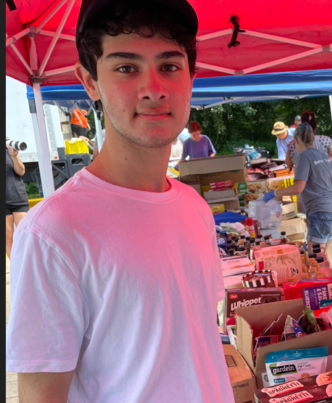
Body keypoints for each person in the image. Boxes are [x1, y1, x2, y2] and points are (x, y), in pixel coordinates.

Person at [6, 1, 235, 402]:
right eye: (126, 68)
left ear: (191, 76)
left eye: (169, 66)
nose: (153, 88)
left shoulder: (194, 207)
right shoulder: (52, 231)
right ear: (89, 81)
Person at [264, 123, 332, 268]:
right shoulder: (323, 155)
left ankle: (329, 287)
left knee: (315, 260)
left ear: (296, 140)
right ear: (313, 139)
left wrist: (275, 193)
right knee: (323, 255)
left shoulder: (304, 157)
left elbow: (298, 187)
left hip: (321, 214)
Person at [6, 145, 29, 260]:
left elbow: (21, 171)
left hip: (18, 197)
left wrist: (14, 156)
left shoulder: (8, 152)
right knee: (8, 237)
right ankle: (15, 267)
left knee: (25, 234)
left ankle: (28, 263)